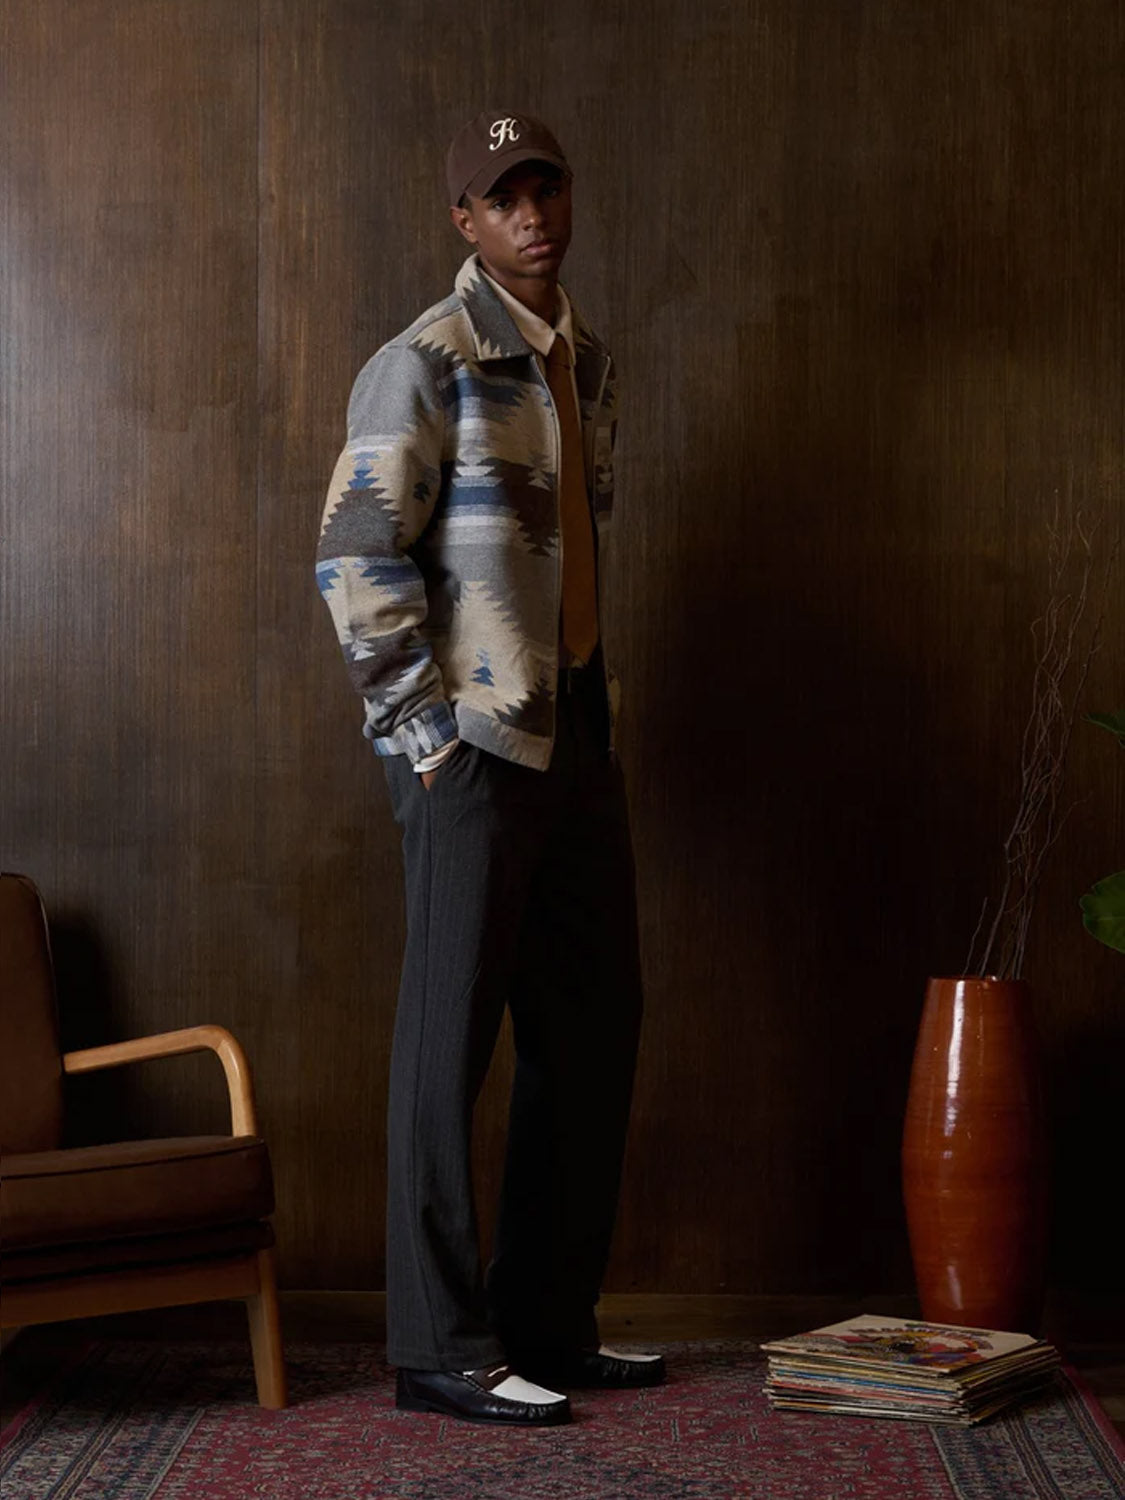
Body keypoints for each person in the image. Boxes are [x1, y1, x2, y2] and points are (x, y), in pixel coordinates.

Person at [316, 109, 661, 1427]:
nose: (532, 215)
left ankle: (547, 1323)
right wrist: (421, 737)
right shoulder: (424, 361)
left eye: (545, 188)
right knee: (446, 1043)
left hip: (576, 735)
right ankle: (436, 1347)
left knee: (591, 1031)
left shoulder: (587, 362)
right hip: (468, 746)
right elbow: (354, 555)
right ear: (465, 220)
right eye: (502, 197)